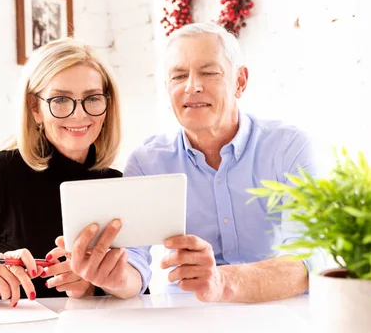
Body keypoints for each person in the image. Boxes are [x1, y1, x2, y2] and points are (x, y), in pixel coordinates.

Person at [122, 22, 323, 303]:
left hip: (276, 312)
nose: (192, 86)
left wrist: (223, 281)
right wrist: (112, 276)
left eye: (209, 72)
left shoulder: (289, 148)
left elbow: (307, 260)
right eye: (179, 76)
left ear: (239, 82)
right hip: (186, 320)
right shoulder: (147, 162)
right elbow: (132, 261)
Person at [0, 37, 125, 307]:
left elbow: (137, 292)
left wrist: (91, 287)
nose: (79, 115)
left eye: (92, 98)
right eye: (60, 100)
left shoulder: (114, 182)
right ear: (35, 109)